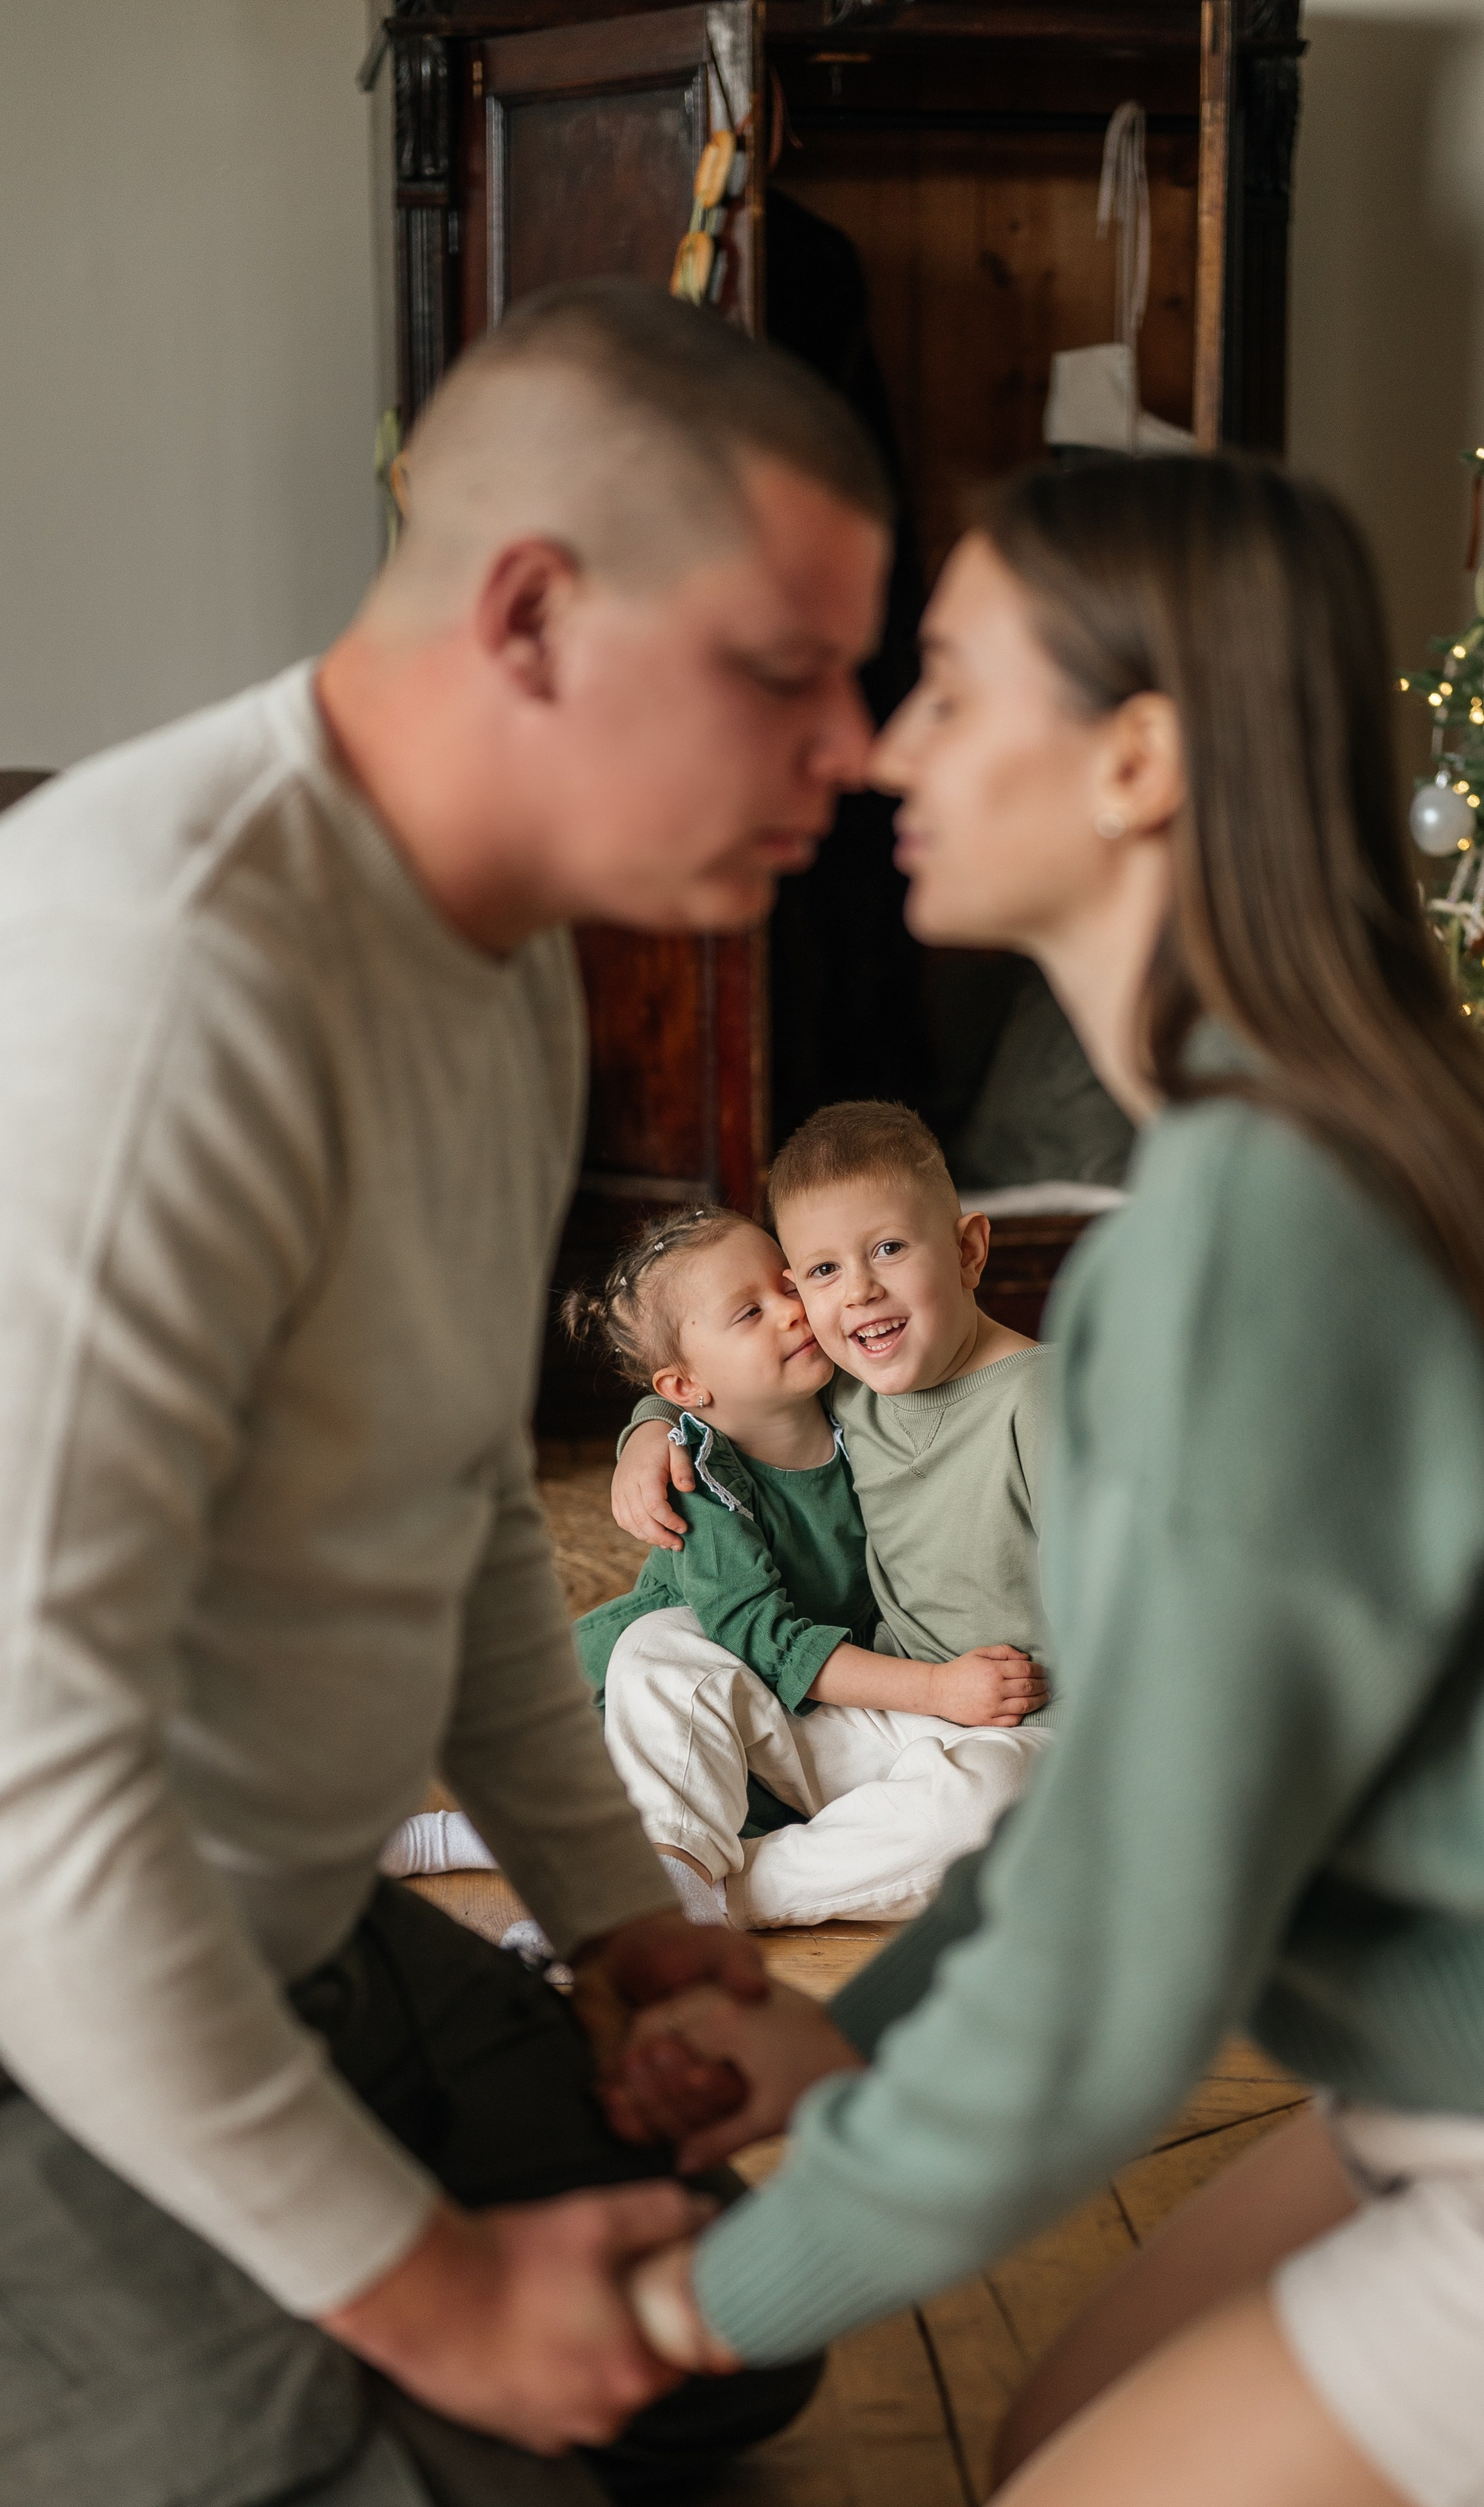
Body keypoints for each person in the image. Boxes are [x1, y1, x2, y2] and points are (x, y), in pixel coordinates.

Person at [597, 453, 1484, 2507]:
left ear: (1136, 759)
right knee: (1052, 2431)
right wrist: (860, 2037)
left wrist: (689, 2309)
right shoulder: (1310, 1132)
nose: (885, 737)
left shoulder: (1262, 1220)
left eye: (951, 685)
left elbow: (1113, 1993)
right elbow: (1126, 1816)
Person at [0, 279, 892, 2504]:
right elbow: (34, 1808)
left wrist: (618, 1922)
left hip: (270, 1912)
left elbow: (464, 1510)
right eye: (782, 675)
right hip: (46, 1971)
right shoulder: (161, 980)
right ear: (531, 611)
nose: (849, 753)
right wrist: (422, 2290)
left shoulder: (502, 976)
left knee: (715, 2351)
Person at [390, 1202, 1046, 1928]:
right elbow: (763, 1641)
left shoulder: (854, 1395)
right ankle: (565, 1864)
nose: (793, 1313)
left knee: (996, 1795)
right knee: (662, 1664)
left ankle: (683, 1896)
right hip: (696, 1713)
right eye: (749, 1312)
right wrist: (935, 1687)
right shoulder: (702, 1477)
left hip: (831, 1714)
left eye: (790, 1286)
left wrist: (647, 1422)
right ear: (686, 1386)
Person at [608, 1099, 1055, 1914]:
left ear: (967, 1249)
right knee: (660, 1641)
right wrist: (648, 1430)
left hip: (1021, 1732)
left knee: (991, 1799)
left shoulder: (1047, 1400)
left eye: (888, 1248)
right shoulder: (854, 1380)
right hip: (884, 1714)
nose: (859, 1292)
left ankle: (698, 1897)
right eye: (819, 1272)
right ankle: (674, 1857)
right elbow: (724, 1388)